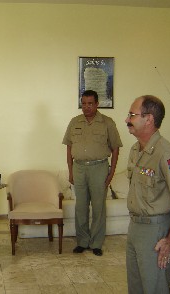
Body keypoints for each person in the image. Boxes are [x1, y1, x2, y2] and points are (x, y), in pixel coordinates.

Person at [125, 95, 170, 293]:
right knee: (136, 287)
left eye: (132, 114)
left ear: (149, 119)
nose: (127, 119)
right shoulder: (136, 149)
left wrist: (169, 240)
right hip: (135, 226)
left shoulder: (165, 154)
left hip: (155, 232)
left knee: (154, 288)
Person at [62, 90, 122, 256]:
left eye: (90, 103)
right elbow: (68, 146)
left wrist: (111, 173)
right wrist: (70, 170)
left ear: (97, 104)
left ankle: (96, 243)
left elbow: (116, 148)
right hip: (79, 168)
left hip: (99, 168)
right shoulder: (74, 122)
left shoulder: (107, 122)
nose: (86, 107)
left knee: (98, 207)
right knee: (80, 207)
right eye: (84, 103)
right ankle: (82, 242)